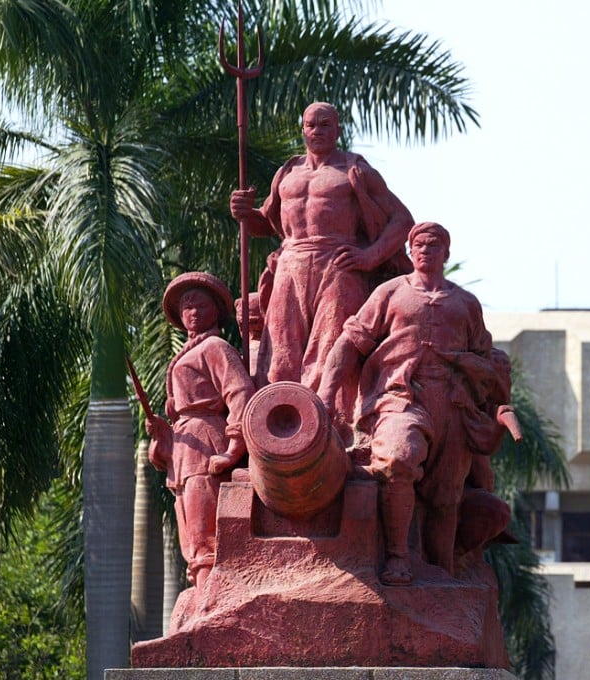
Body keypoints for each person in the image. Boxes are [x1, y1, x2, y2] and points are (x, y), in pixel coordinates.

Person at [318, 222, 504, 586]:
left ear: (446, 253)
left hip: (453, 403)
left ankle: (442, 573)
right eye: (418, 244)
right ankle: (398, 558)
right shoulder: (391, 293)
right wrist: (326, 393)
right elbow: (350, 342)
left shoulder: (465, 303)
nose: (425, 250)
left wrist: (478, 376)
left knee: (447, 494)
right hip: (399, 396)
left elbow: (487, 358)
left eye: (434, 244)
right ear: (409, 251)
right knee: (399, 458)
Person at [229, 102, 414, 413]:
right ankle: (279, 422)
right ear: (303, 130)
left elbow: (402, 220)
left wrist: (370, 256)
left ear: (337, 130)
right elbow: (265, 224)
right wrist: (244, 214)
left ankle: (332, 427)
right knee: (280, 353)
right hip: (291, 263)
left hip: (339, 264)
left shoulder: (355, 170)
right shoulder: (287, 172)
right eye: (312, 125)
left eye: (325, 124)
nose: (318, 131)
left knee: (331, 350)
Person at [146, 272, 256, 589]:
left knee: (204, 528)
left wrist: (234, 447)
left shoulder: (215, 347)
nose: (192, 313)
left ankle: (211, 597)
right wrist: (161, 433)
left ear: (216, 311)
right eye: (186, 308)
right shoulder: (187, 352)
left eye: (200, 306)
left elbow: (239, 393)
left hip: (208, 439)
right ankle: (200, 592)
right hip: (184, 447)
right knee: (190, 529)